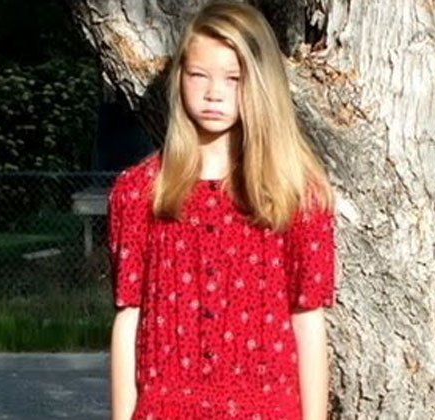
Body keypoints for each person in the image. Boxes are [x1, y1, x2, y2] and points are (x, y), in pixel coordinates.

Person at [108, 1, 337, 419]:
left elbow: (309, 321)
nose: (215, 93)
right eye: (199, 75)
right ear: (180, 79)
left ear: (259, 83)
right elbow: (129, 317)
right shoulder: (140, 192)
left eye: (233, 79)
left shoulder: (297, 193)